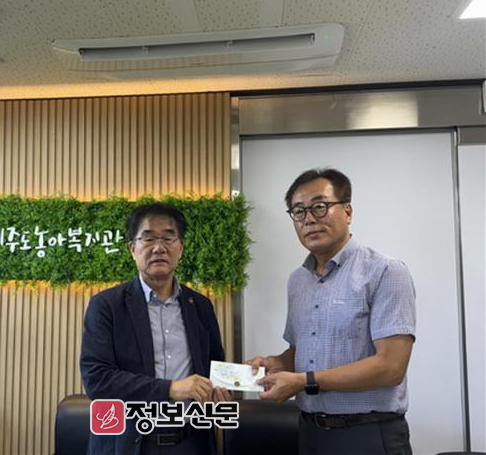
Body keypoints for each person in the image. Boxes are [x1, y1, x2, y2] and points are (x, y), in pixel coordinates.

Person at [248, 168, 416, 455]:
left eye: (320, 206)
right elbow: (301, 350)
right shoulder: (298, 281)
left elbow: (391, 367)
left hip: (368, 434)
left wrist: (304, 381)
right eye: (299, 211)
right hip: (310, 433)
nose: (309, 219)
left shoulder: (385, 271)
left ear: (347, 211)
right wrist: (278, 363)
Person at [81, 202, 230, 455]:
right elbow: (97, 380)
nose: (159, 247)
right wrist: (170, 389)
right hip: (127, 444)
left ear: (180, 248)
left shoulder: (200, 306)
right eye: (148, 238)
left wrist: (222, 388)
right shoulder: (106, 305)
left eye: (168, 238)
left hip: (190, 442)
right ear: (133, 249)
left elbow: (213, 367)